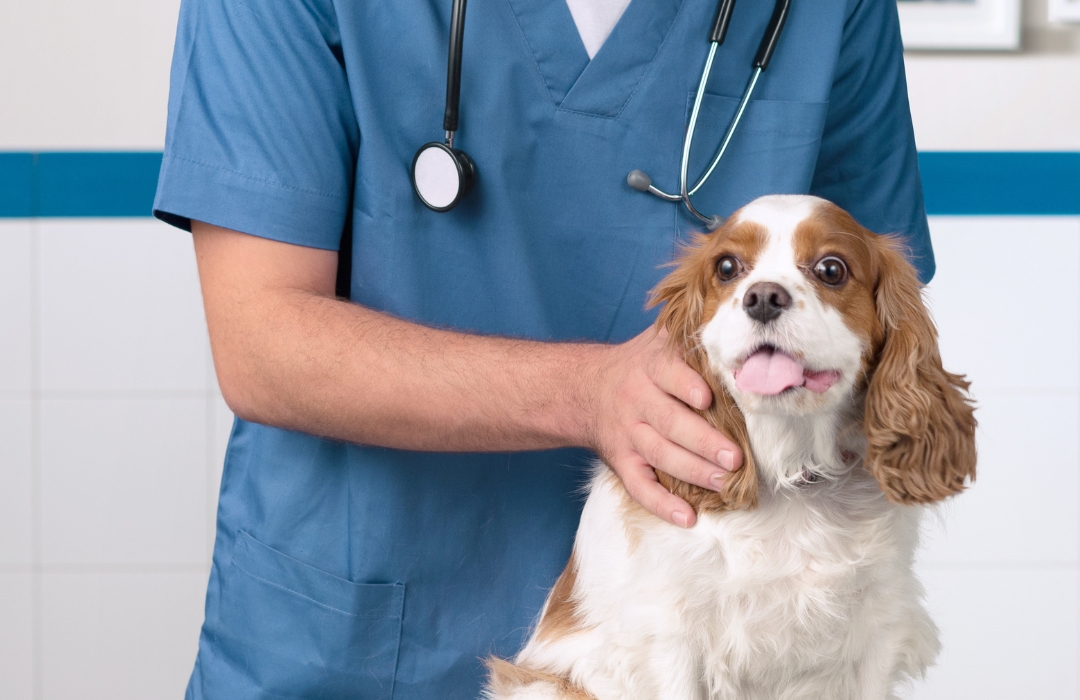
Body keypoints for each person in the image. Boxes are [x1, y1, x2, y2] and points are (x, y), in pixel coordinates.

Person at [152, 0, 934, 697]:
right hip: (356, 635)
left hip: (714, 647)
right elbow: (261, 342)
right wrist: (592, 394)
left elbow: (862, 340)